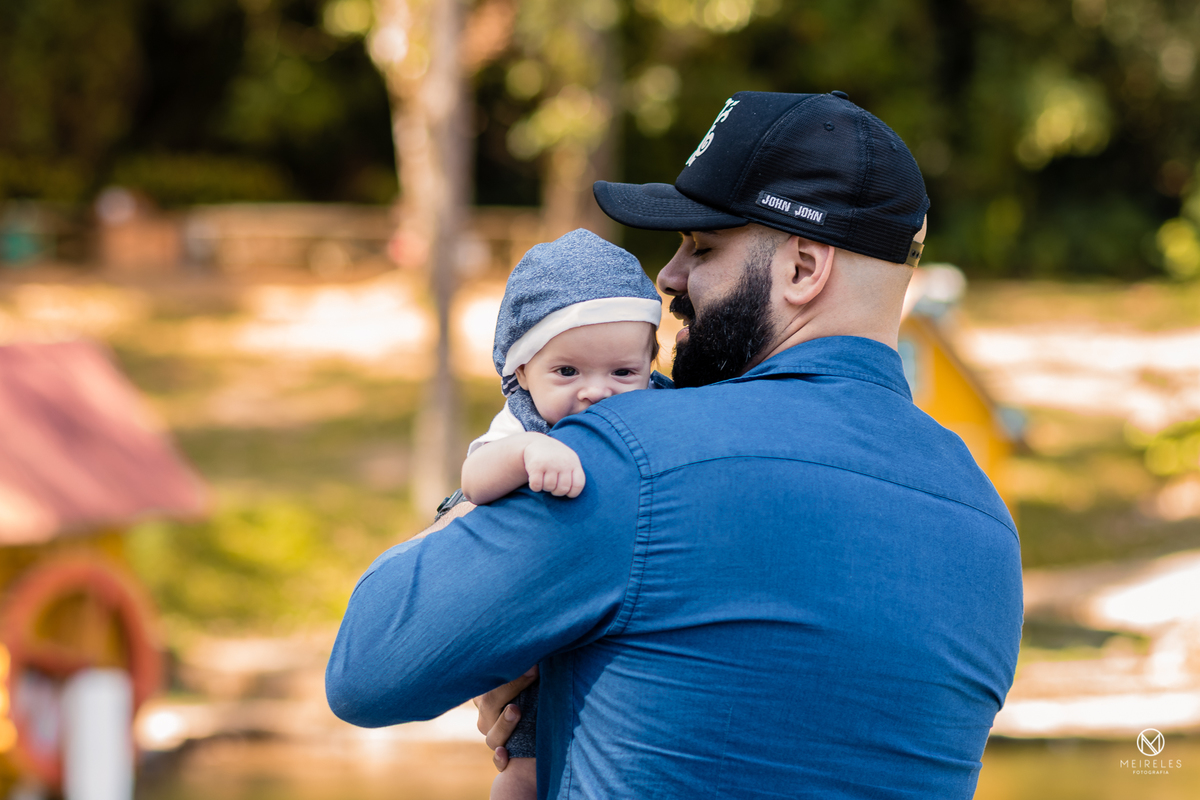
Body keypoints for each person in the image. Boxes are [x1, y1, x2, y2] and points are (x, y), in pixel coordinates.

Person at [327, 91, 1023, 799]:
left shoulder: (631, 457)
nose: (668, 277)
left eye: (703, 247)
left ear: (803, 268)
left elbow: (366, 668)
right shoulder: (988, 528)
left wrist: (488, 488)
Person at [457, 227, 669, 799]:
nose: (595, 392)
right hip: (535, 634)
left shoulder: (664, 409)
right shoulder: (522, 426)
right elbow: (473, 480)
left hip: (614, 637)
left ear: (650, 366)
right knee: (521, 768)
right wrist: (527, 453)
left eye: (623, 373)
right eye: (567, 372)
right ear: (522, 371)